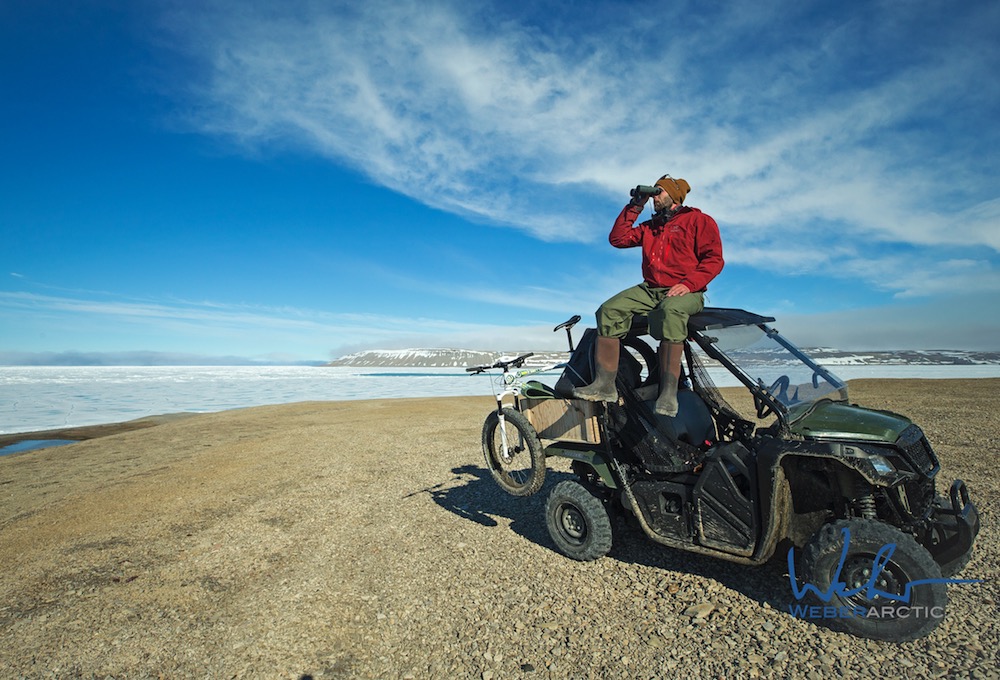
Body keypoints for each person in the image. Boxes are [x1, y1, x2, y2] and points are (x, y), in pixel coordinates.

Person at [573, 175, 724, 416]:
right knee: (609, 310)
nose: (655, 197)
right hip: (651, 288)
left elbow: (714, 259)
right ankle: (605, 386)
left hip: (688, 290)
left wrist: (688, 284)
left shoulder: (699, 220)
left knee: (670, 310)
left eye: (659, 192)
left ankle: (668, 393)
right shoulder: (651, 227)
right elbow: (618, 239)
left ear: (674, 197)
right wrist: (635, 206)